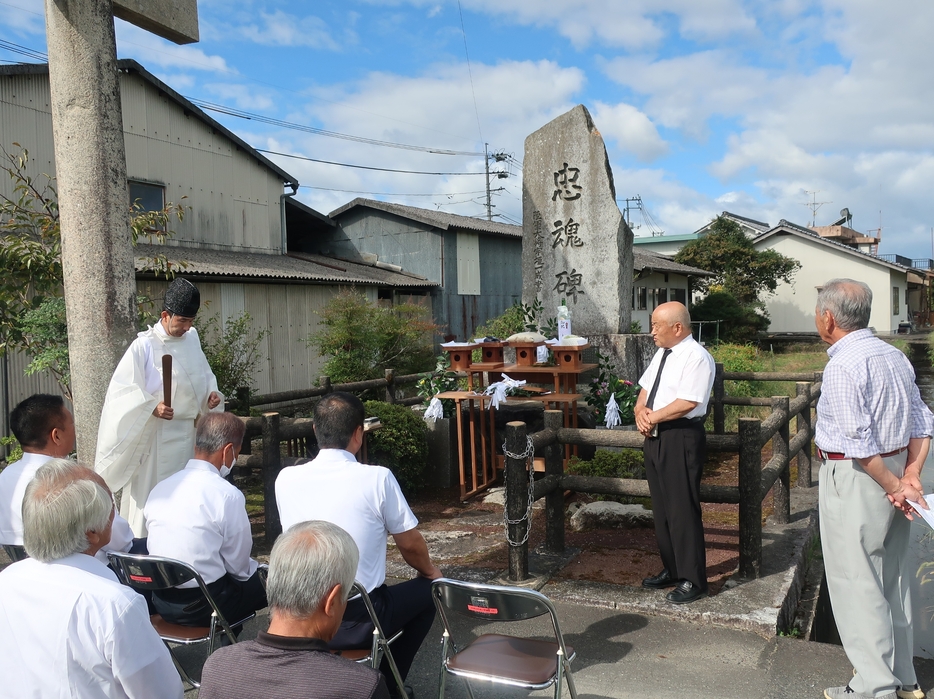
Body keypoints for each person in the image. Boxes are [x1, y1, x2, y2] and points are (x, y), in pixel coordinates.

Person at [275, 392, 441, 695]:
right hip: (358, 618)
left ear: (314, 429)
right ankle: (389, 687)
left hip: (297, 613)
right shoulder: (377, 478)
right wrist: (431, 572)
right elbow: (411, 545)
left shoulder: (285, 479)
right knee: (431, 592)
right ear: (358, 433)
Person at [814, 279, 933, 699]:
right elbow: (922, 421)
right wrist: (913, 475)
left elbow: (858, 443)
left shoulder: (843, 365)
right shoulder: (894, 356)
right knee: (894, 578)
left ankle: (873, 687)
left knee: (856, 581)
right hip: (898, 466)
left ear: (828, 318)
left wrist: (896, 486)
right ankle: (904, 679)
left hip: (860, 478)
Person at [0, 459, 181, 698]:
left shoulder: (7, 580)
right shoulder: (114, 604)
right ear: (92, 532)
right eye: (110, 504)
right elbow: (163, 693)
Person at [199, 520, 390, 699]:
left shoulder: (218, 667)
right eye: (346, 596)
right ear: (330, 602)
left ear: (270, 585)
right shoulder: (362, 687)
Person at [95, 277, 224, 536]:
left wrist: (211, 396)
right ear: (166, 315)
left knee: (186, 497)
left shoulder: (192, 338)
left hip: (189, 436)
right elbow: (123, 391)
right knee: (154, 498)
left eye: (191, 321)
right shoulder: (144, 345)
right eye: (182, 321)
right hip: (157, 437)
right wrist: (152, 407)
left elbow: (204, 375)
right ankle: (145, 549)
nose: (187, 328)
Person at [144, 411, 267, 631]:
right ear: (228, 450)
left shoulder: (160, 489)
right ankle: (237, 651)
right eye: (237, 453)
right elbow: (239, 568)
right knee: (272, 583)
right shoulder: (226, 494)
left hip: (161, 601)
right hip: (208, 606)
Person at [635, 301, 715, 605]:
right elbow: (646, 387)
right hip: (655, 434)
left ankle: (694, 579)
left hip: (680, 434)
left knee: (682, 509)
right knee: (663, 508)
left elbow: (688, 402)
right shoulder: (663, 353)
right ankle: (672, 568)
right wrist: (641, 410)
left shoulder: (695, 357)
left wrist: (652, 417)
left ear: (677, 328)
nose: (652, 331)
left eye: (656, 325)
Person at [0, 394, 140, 564]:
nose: (75, 430)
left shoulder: (5, 477)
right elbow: (120, 541)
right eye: (72, 424)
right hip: (85, 572)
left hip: (24, 569)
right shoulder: (74, 480)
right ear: (56, 435)